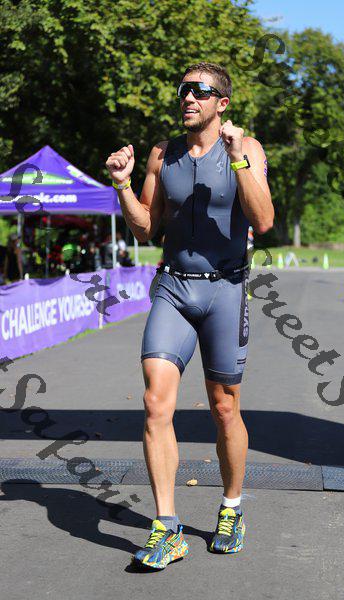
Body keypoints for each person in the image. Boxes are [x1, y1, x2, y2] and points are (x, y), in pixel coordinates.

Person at [105, 62, 274, 570]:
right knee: (155, 403)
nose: (188, 98)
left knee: (224, 408)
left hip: (226, 289)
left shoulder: (247, 147)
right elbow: (145, 229)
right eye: (183, 90)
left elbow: (264, 220)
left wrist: (239, 160)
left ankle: (231, 508)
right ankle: (167, 527)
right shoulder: (163, 154)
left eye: (200, 91)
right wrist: (122, 185)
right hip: (174, 289)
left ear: (222, 103)